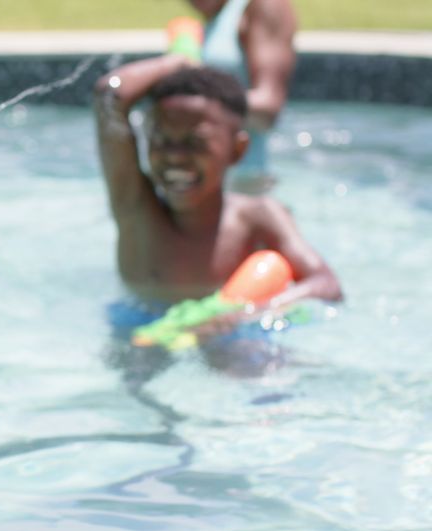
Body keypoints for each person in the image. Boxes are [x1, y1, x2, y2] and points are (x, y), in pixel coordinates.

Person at [93, 55, 341, 340]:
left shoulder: (256, 216)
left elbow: (326, 285)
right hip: (140, 331)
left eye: (195, 144)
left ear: (237, 150)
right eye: (161, 141)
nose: (175, 156)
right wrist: (180, 63)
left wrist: (239, 314)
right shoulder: (135, 207)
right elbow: (109, 96)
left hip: (231, 338)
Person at [187, 0, 297, 193]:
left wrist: (192, 101)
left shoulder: (265, 5)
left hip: (246, 184)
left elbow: (268, 110)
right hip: (209, 183)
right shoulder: (215, 18)